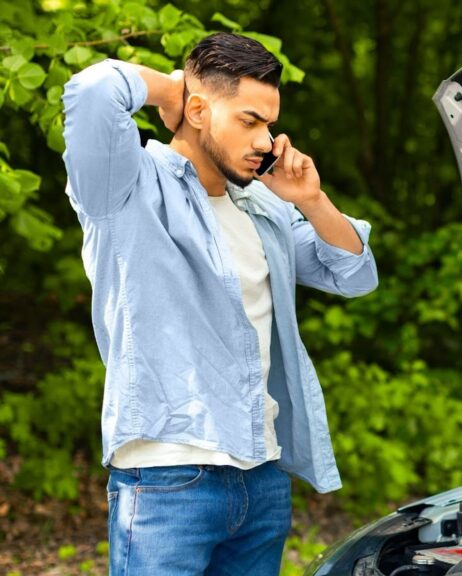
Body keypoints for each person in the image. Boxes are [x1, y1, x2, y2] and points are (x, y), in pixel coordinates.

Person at [61, 32, 378, 574]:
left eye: (270, 125)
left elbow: (354, 274)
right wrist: (171, 91)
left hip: (262, 477)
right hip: (167, 478)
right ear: (199, 111)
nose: (265, 141)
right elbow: (93, 90)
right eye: (250, 121)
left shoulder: (262, 206)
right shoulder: (126, 188)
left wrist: (311, 201)